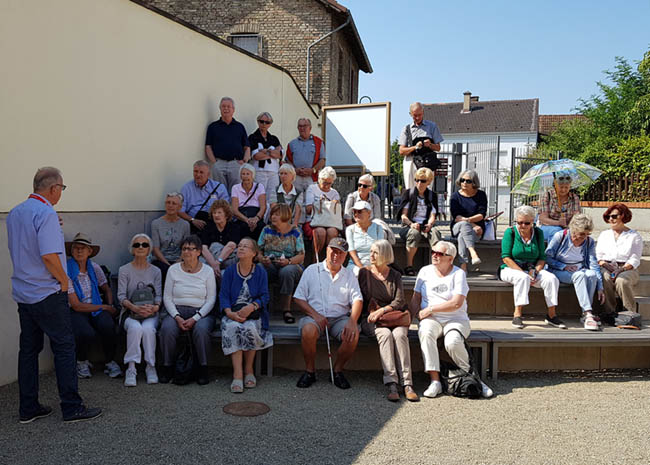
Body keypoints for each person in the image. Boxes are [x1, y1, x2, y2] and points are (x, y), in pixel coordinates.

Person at [7, 167, 101, 423]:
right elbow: (49, 256)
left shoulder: (16, 212)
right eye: (62, 187)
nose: (61, 192)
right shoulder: (46, 212)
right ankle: (72, 407)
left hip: (24, 292)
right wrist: (63, 280)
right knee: (64, 347)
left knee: (28, 350)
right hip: (47, 292)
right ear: (53, 188)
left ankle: (28, 407)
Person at [411, 241, 493, 399]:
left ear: (450, 258)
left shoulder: (458, 274)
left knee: (452, 342)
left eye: (439, 253)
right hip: (431, 319)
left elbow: (456, 303)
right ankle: (435, 381)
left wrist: (430, 309)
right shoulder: (424, 271)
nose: (434, 255)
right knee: (426, 332)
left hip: (456, 319)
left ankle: (475, 378)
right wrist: (412, 316)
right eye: (433, 251)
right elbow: (416, 297)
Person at [293, 238, 363, 390]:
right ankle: (310, 371)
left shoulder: (350, 275)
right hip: (314, 317)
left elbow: (358, 300)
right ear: (326, 250)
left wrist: (352, 321)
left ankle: (337, 371)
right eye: (333, 251)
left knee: (353, 333)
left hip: (340, 318)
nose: (336, 256)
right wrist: (315, 315)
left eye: (340, 253)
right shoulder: (312, 270)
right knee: (308, 331)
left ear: (346, 256)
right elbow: (298, 298)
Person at [358, 240, 419, 402]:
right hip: (371, 319)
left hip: (394, 317)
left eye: (375, 252)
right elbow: (360, 299)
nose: (371, 255)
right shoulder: (364, 273)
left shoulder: (395, 275)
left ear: (384, 255)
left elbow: (399, 301)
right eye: (370, 252)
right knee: (384, 335)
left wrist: (382, 310)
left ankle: (407, 383)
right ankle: (391, 382)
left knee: (400, 335)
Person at [160, 235, 217, 385]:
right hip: (176, 311)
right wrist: (177, 316)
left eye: (192, 249)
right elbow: (167, 297)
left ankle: (203, 369)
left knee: (202, 330)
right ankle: (168, 367)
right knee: (167, 328)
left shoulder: (208, 271)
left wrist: (195, 318)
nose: (188, 252)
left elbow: (211, 299)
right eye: (185, 248)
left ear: (199, 252)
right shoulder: (173, 270)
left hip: (201, 312)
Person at [65, 233, 122, 380]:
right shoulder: (66, 271)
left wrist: (109, 304)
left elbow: (106, 288)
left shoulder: (94, 268)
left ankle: (110, 361)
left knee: (108, 326)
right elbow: (76, 306)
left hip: (96, 306)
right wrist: (105, 308)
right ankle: (82, 361)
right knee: (85, 333)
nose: (79, 251)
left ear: (89, 252)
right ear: (71, 251)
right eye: (76, 248)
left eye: (83, 248)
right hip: (77, 310)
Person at [220, 238, 273, 393]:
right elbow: (223, 295)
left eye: (245, 247)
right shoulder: (230, 270)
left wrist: (251, 306)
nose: (241, 248)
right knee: (233, 327)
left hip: (253, 313)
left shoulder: (260, 271)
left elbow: (265, 296)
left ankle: (249, 370)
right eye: (239, 246)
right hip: (232, 312)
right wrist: (229, 313)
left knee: (250, 327)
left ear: (254, 253)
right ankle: (237, 373)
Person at [500, 206, 561, 329]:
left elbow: (542, 257)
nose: (523, 225)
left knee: (551, 279)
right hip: (511, 268)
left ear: (533, 221)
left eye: (527, 223)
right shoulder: (510, 232)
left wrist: (535, 271)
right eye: (520, 222)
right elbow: (506, 257)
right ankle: (517, 314)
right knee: (522, 278)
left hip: (533, 268)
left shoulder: (538, 233)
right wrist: (524, 272)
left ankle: (551, 315)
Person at [117, 234, 162, 386]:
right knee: (136, 328)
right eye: (137, 245)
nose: (140, 248)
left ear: (149, 249)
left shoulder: (156, 271)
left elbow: (159, 297)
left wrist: (153, 308)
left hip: (151, 313)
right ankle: (131, 368)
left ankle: (151, 366)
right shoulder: (124, 270)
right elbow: (121, 297)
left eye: (144, 245)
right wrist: (134, 307)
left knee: (148, 329)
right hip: (130, 313)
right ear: (132, 249)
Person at [546, 214, 604, 331]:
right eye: (581, 234)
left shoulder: (589, 241)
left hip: (580, 269)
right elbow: (547, 257)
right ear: (573, 229)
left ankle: (585, 315)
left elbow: (593, 264)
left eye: (587, 234)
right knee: (580, 275)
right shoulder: (560, 236)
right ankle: (588, 313)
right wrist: (563, 266)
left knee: (591, 274)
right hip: (559, 270)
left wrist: (600, 286)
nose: (584, 237)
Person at [258, 204, 305, 324]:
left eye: (277, 215)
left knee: (287, 271)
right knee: (260, 268)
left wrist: (288, 261)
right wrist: (262, 259)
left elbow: (301, 255)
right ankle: (261, 305)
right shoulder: (266, 230)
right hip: (271, 263)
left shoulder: (295, 231)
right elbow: (258, 250)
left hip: (291, 264)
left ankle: (286, 309)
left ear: (285, 216)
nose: (273, 217)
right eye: (272, 214)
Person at [596, 203, 643, 315]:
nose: (611, 219)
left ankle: (630, 313)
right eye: (608, 217)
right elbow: (598, 255)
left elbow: (635, 259)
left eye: (614, 216)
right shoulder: (604, 234)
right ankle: (609, 312)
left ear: (623, 216)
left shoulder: (634, 236)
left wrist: (620, 270)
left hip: (627, 268)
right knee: (605, 277)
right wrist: (605, 265)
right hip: (606, 266)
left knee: (621, 280)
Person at [397, 167, 441, 276]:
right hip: (408, 226)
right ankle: (409, 266)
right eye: (417, 180)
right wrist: (411, 224)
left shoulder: (432, 196)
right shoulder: (409, 193)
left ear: (429, 182)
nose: (419, 183)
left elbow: (433, 214)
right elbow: (403, 216)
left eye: (423, 181)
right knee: (414, 233)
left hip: (425, 225)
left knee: (436, 233)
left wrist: (430, 224)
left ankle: (436, 265)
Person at [205, 96, 251, 192]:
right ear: (220, 108)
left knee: (235, 192)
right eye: (223, 106)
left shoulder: (239, 127)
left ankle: (232, 207)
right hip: (219, 163)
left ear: (233, 109)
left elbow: (247, 147)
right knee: (219, 191)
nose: (226, 108)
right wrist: (214, 163)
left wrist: (244, 161)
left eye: (228, 106)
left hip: (236, 163)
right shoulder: (213, 127)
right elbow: (208, 146)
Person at [398, 102, 443, 190]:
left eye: (420, 115)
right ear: (410, 114)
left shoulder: (432, 126)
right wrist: (415, 147)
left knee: (426, 189)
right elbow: (401, 151)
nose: (417, 118)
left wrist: (430, 144)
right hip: (411, 160)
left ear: (423, 112)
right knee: (411, 190)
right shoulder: (406, 129)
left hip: (427, 161)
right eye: (415, 115)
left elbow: (438, 148)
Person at [178, 160, 230, 234]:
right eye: (195, 171)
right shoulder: (186, 188)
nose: (198, 175)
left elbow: (226, 209)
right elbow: (180, 211)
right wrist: (192, 220)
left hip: (214, 222)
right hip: (194, 223)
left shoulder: (219, 187)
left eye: (201, 172)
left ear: (208, 174)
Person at [450, 169, 487, 268]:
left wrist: (468, 222)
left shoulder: (481, 195)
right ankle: (472, 252)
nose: (464, 183)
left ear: (474, 182)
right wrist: (472, 224)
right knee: (463, 225)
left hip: (476, 230)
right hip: (458, 227)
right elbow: (457, 217)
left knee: (462, 236)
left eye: (468, 181)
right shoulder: (455, 197)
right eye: (462, 180)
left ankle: (463, 266)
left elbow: (481, 215)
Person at [151, 192, 190, 283]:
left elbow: (186, 247)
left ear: (179, 207)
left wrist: (178, 262)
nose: (170, 206)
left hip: (179, 259)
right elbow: (155, 249)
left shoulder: (185, 225)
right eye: (168, 202)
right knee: (164, 271)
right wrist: (168, 265)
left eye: (174, 203)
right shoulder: (156, 223)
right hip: (161, 260)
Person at [305, 166, 341, 260]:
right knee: (320, 232)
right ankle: (315, 259)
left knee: (332, 232)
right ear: (319, 179)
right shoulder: (312, 189)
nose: (327, 186)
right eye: (325, 182)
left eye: (330, 183)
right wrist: (322, 204)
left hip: (330, 222)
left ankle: (329, 259)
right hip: (314, 221)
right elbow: (308, 210)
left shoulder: (334, 193)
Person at [198, 199, 240, 279]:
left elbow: (231, 246)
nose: (216, 215)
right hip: (211, 260)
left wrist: (218, 262)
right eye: (214, 213)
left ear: (226, 215)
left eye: (219, 212)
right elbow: (204, 248)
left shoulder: (234, 227)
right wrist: (213, 264)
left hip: (227, 259)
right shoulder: (208, 227)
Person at [285, 117, 326, 196]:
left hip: (311, 177)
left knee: (311, 202)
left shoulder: (318, 142)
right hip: (296, 177)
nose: (302, 128)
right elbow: (288, 160)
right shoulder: (292, 144)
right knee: (295, 201)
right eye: (300, 126)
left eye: (305, 126)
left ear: (310, 128)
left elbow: (322, 160)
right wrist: (294, 170)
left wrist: (312, 170)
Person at [249, 111, 282, 204]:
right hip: (259, 171)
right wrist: (272, 152)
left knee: (273, 198)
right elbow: (256, 156)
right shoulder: (253, 137)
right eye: (261, 121)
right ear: (258, 122)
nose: (264, 124)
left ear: (270, 124)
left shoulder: (274, 138)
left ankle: (271, 217)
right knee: (259, 196)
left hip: (273, 172)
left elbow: (280, 154)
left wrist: (265, 151)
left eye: (267, 122)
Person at [538, 172, 582, 242]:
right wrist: (558, 223)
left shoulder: (574, 198)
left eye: (566, 187)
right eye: (561, 187)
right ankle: (552, 253)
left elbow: (577, 217)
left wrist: (569, 226)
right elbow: (543, 218)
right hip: (547, 227)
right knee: (558, 232)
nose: (564, 190)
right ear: (555, 185)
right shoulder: (547, 195)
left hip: (568, 227)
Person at [345, 201, 384, 275]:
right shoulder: (350, 229)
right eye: (354, 212)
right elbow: (352, 252)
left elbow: (380, 249)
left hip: (375, 263)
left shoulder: (378, 228)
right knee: (357, 273)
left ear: (369, 213)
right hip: (355, 264)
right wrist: (362, 268)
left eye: (359, 211)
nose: (356, 214)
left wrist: (373, 266)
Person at [231, 163, 266, 240]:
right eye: (243, 174)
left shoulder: (260, 187)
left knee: (261, 227)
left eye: (248, 174)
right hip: (241, 217)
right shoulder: (235, 188)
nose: (245, 176)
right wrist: (247, 220)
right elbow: (234, 210)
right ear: (240, 176)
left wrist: (256, 219)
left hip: (256, 216)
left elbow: (263, 207)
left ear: (252, 175)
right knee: (238, 227)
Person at [271, 164, 304, 228]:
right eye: (281, 174)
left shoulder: (299, 193)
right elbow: (273, 209)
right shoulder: (275, 190)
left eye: (286, 174)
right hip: (277, 223)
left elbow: (298, 211)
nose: (283, 176)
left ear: (292, 176)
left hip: (293, 223)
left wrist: (294, 225)